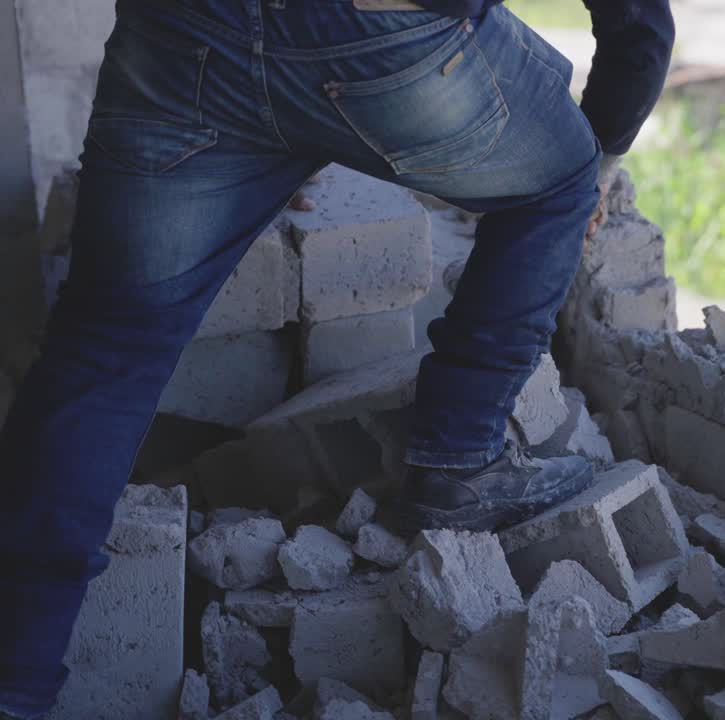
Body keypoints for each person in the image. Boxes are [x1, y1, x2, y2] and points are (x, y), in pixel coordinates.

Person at [0, 0, 674, 716]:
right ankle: (460, 461)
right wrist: (601, 156)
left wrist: (279, 126)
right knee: (562, 174)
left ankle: (15, 677)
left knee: (104, 351)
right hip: (378, 40)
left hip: (181, 35)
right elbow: (637, 23)